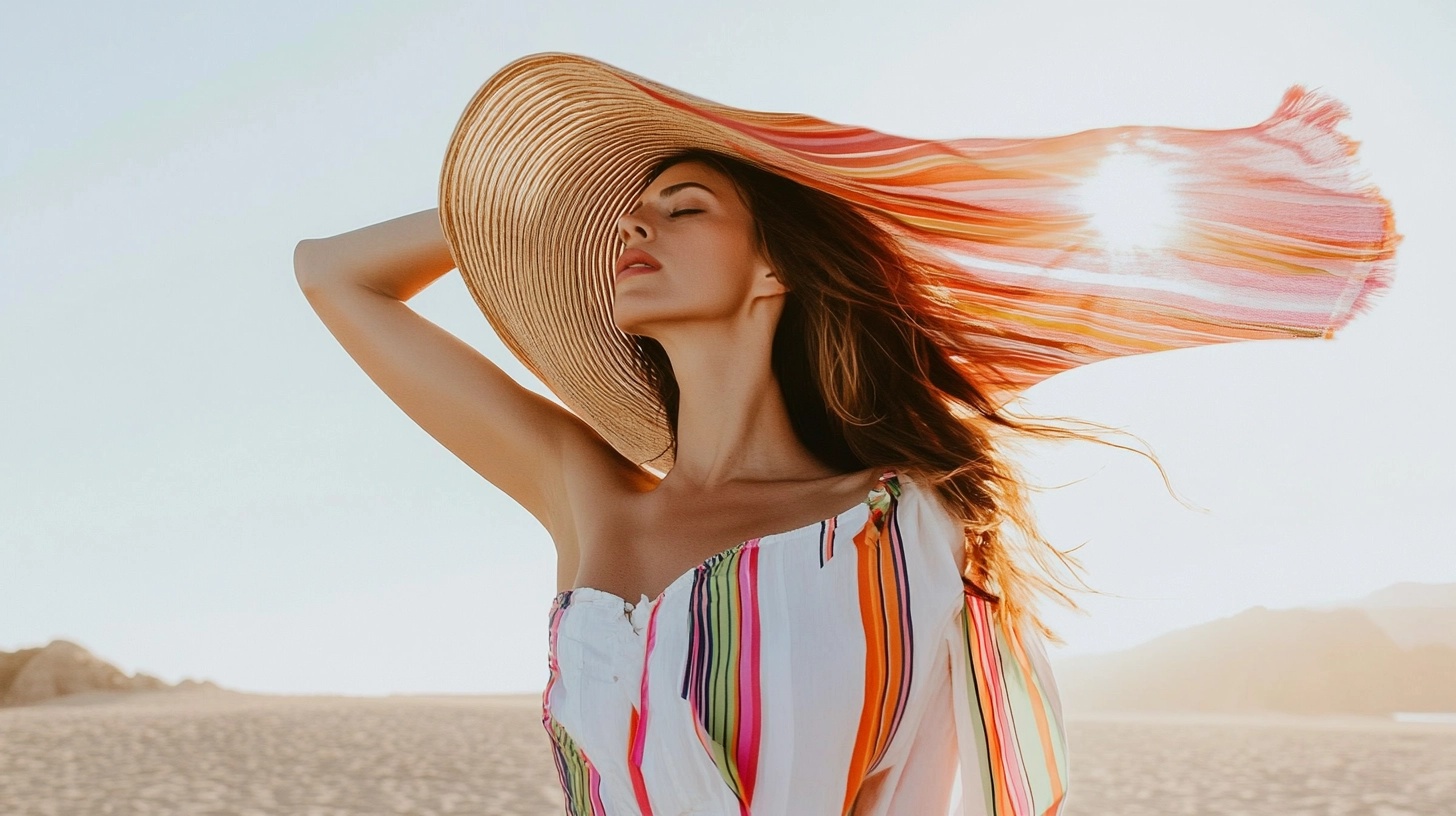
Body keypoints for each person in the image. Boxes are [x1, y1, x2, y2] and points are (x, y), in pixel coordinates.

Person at [294, 53, 1399, 815]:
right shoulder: (590, 496)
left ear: (773, 268)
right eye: (626, 214)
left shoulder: (894, 523)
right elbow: (335, 275)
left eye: (683, 206)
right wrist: (517, 209)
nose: (636, 221)